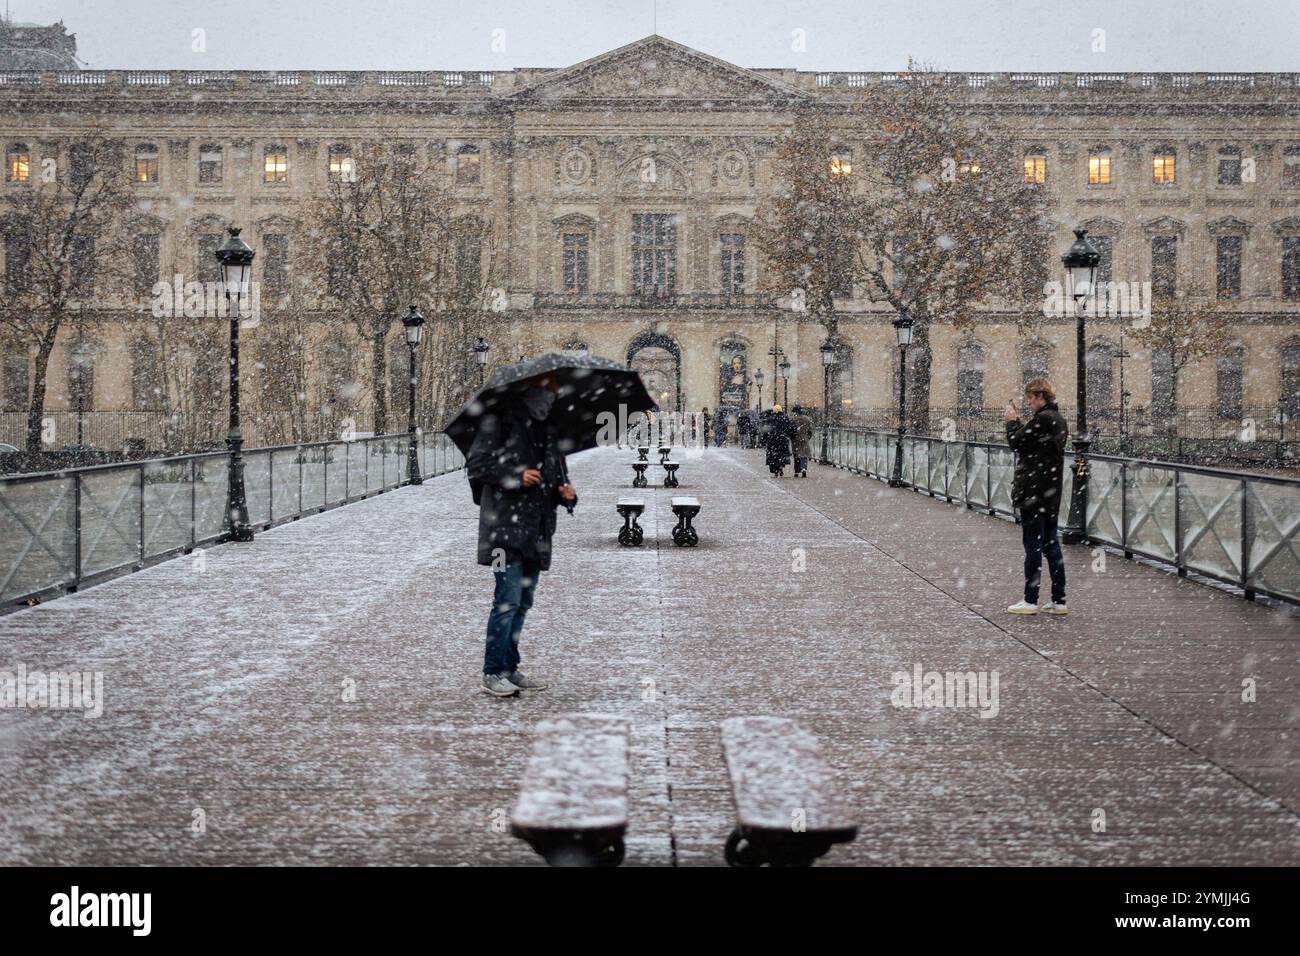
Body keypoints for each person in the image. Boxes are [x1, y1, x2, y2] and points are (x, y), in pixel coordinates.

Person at [466, 373, 578, 696]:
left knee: (522, 602)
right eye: (547, 391)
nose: (551, 398)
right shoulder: (499, 423)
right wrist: (515, 475)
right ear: (531, 392)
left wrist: (566, 494)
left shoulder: (550, 433)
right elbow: (477, 466)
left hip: (537, 531)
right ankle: (492, 671)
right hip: (502, 529)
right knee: (506, 599)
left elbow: (555, 480)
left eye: (554, 393)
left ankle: (509, 668)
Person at [1004, 377, 1069, 616]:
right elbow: (1034, 445)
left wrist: (1011, 423)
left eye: (1030, 399)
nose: (1029, 403)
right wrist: (1023, 425)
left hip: (1033, 493)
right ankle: (1059, 600)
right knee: (1052, 546)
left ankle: (1030, 600)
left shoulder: (1042, 419)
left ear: (1040, 396)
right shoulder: (1058, 420)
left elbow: (1015, 443)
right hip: (1050, 493)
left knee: (1033, 546)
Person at [761, 405, 793, 477]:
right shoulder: (785, 418)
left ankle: (775, 468)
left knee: (773, 454)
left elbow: (766, 431)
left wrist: (763, 440)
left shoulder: (770, 419)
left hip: (772, 440)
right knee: (782, 453)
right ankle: (781, 465)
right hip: (783, 439)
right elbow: (790, 428)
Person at [788, 405, 813, 477]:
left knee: (797, 455)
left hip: (795, 439)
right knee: (804, 454)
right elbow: (810, 431)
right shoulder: (807, 419)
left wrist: (792, 437)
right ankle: (804, 468)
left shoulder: (793, 419)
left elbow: (790, 430)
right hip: (804, 439)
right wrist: (807, 437)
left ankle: (797, 471)